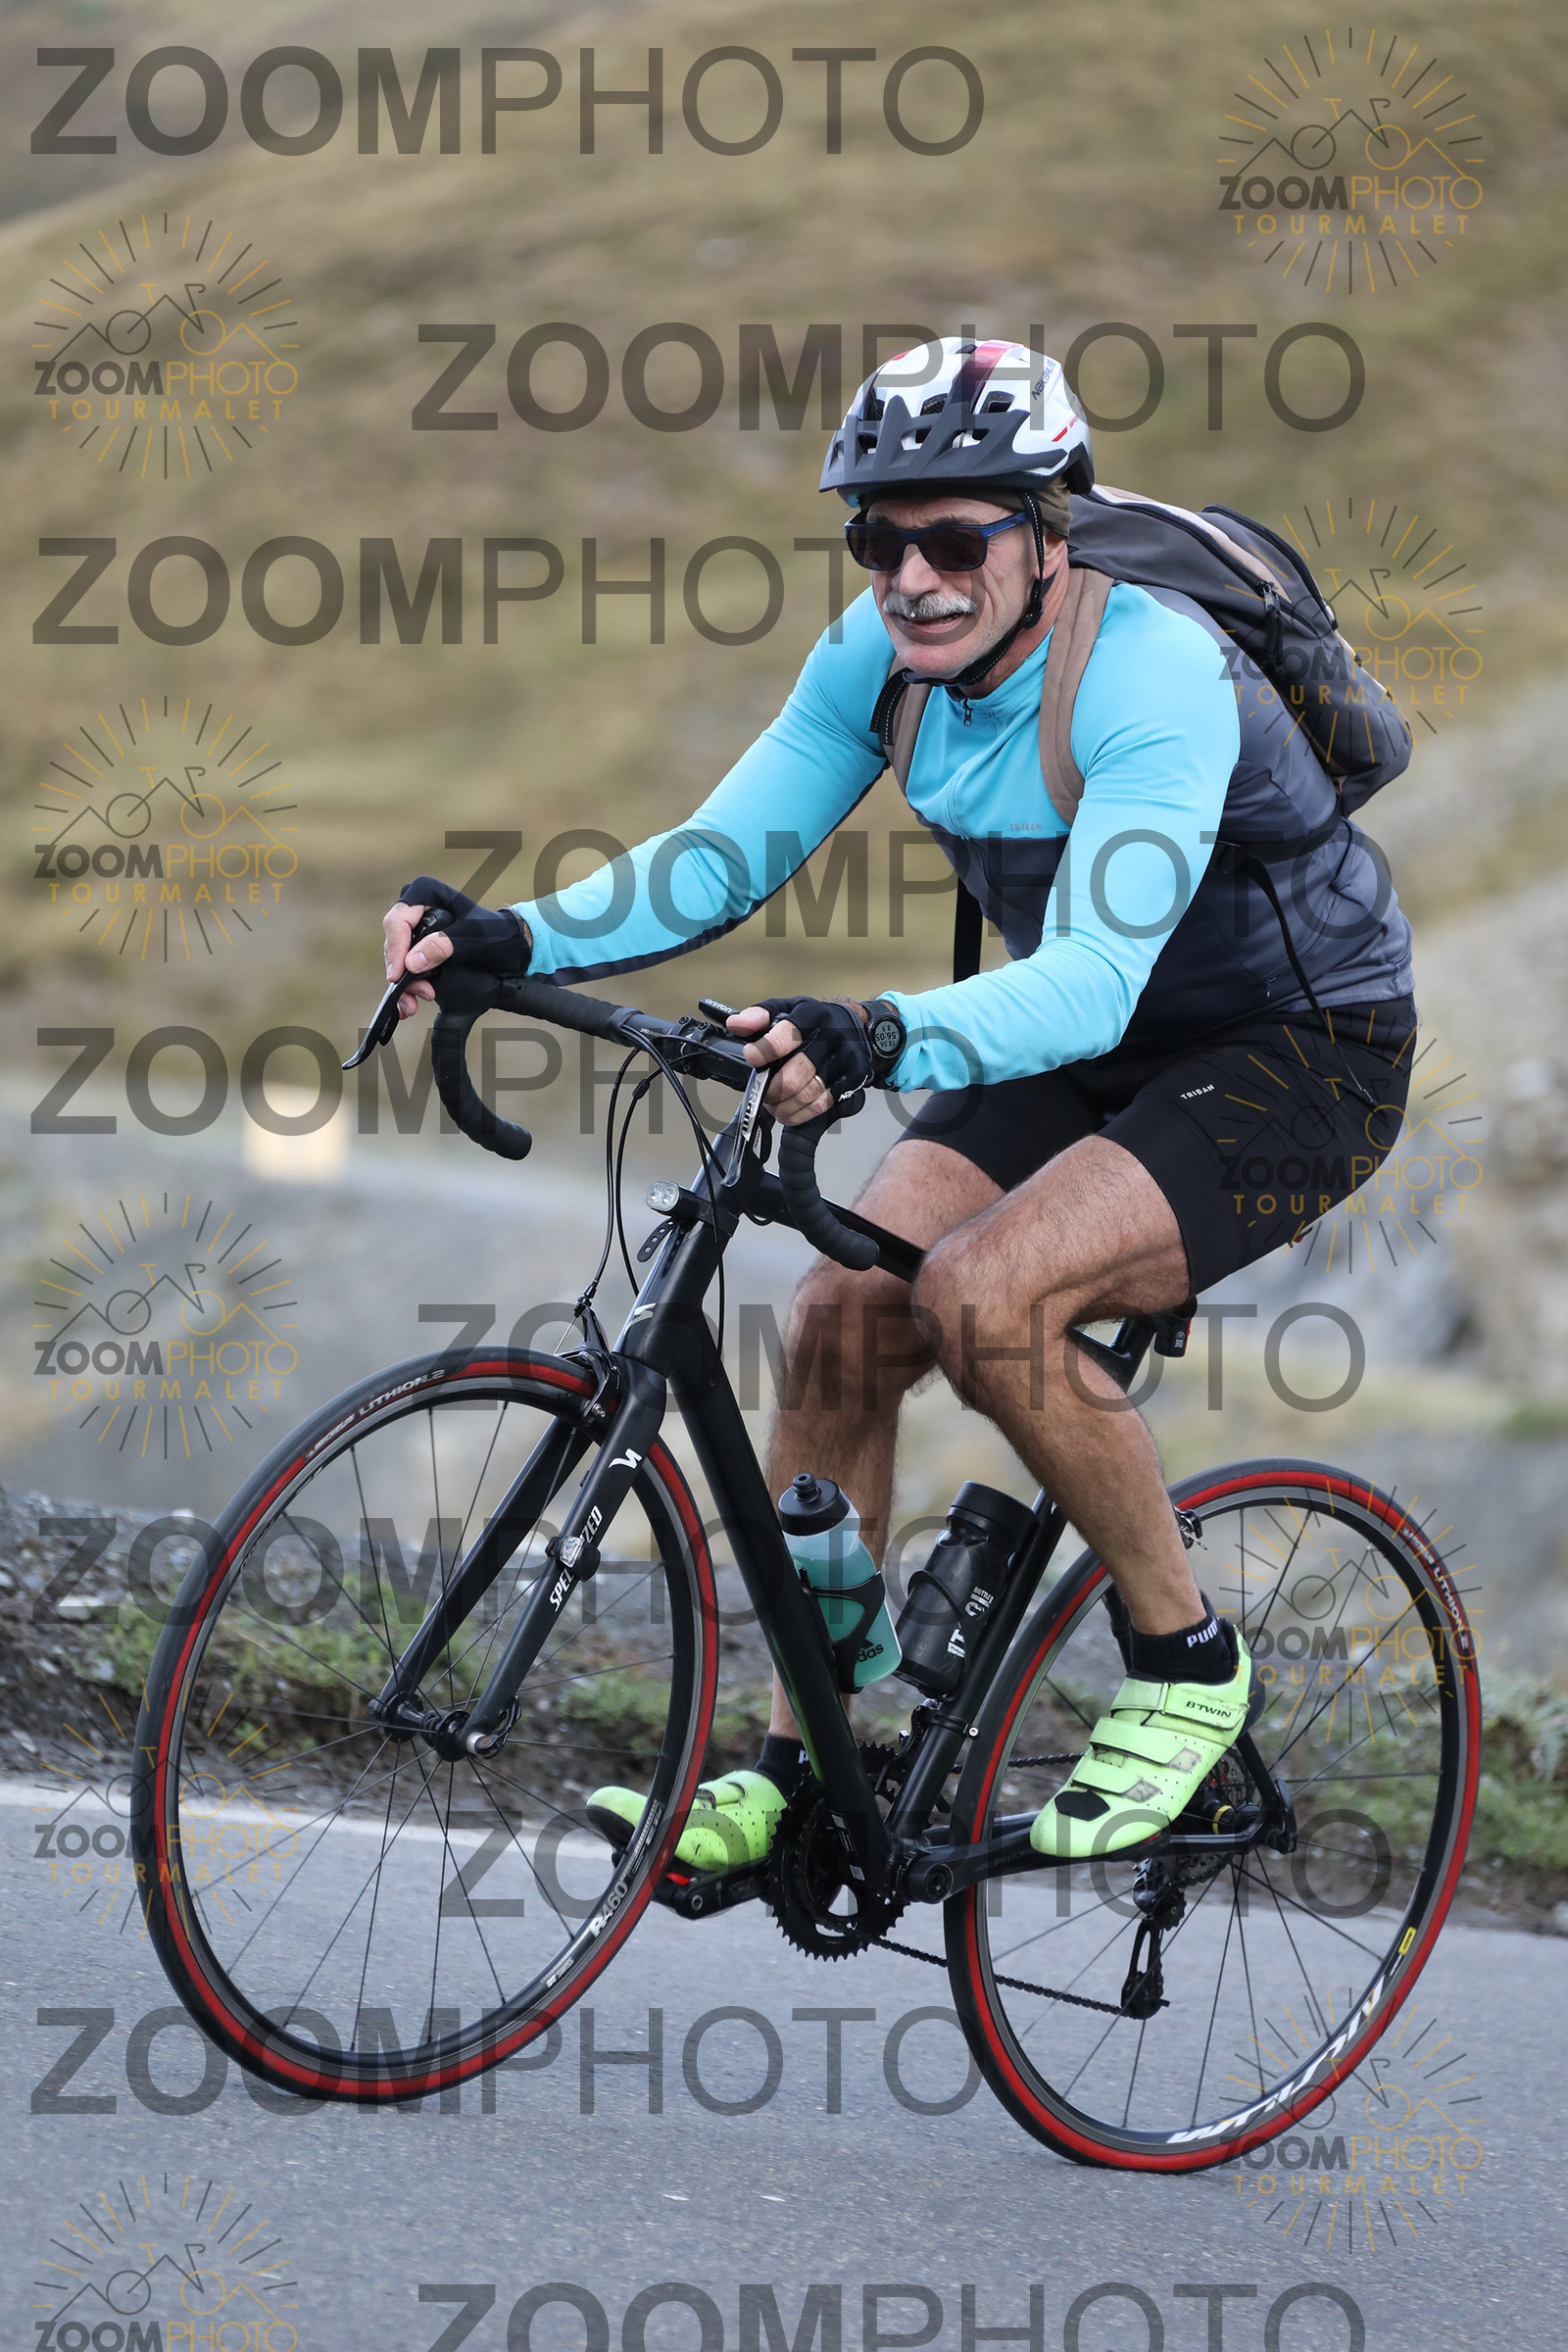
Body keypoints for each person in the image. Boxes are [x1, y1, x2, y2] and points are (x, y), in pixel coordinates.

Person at [382, 336, 1414, 1880]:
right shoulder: (876, 662)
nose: (913, 579)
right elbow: (719, 859)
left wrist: (871, 1033)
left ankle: (1188, 1662)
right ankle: (805, 1768)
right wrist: (514, 936)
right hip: (1077, 1035)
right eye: (879, 541)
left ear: (1049, 534)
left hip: (1299, 1046)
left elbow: (1094, 981)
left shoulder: (1153, 671)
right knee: (841, 1315)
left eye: (954, 541)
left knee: (991, 1297)